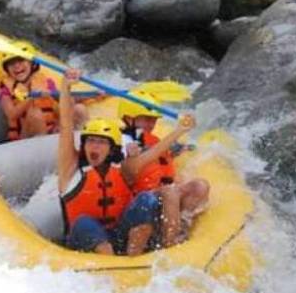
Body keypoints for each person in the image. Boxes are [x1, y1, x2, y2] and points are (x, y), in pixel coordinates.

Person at [56, 68, 195, 256]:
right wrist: (65, 87)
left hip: (119, 234)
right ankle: (111, 260)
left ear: (112, 149)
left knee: (146, 200)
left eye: (101, 142)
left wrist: (180, 131)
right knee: (84, 223)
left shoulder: (123, 170)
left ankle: (133, 259)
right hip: (86, 238)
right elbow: (66, 125)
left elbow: (153, 153)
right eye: (90, 140)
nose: (94, 147)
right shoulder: (70, 170)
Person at [120, 90, 210, 247]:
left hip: (162, 195)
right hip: (139, 202)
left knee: (200, 186)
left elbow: (167, 152)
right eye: (146, 119)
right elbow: (140, 161)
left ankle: (183, 231)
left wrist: (187, 146)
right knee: (171, 191)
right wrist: (179, 130)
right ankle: (170, 243)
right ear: (129, 119)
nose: (151, 124)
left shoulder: (153, 139)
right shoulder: (124, 141)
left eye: (154, 120)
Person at [0, 55, 89, 140]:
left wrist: (90, 95)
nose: (16, 66)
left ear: (31, 64)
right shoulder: (6, 90)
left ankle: (79, 142)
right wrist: (32, 96)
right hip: (27, 135)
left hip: (51, 128)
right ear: (7, 70)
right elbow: (12, 115)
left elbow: (64, 100)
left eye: (21, 60)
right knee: (35, 114)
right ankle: (44, 148)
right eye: (11, 64)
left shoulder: (46, 82)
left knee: (79, 109)